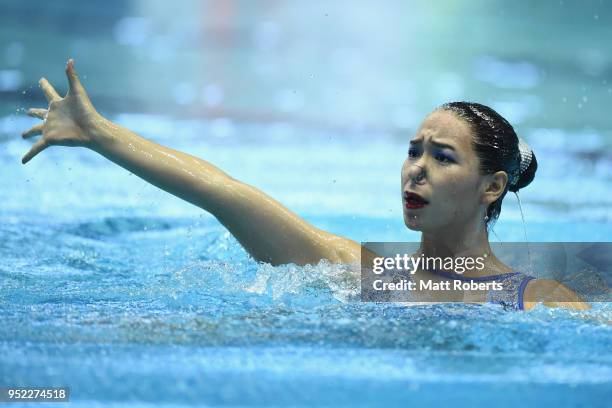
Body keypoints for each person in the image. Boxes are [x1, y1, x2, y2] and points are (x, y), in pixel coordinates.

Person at [21, 60, 589, 311]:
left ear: (492, 188)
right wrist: (101, 134)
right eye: (412, 151)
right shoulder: (356, 269)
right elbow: (224, 192)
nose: (416, 169)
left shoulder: (538, 300)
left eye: (442, 158)